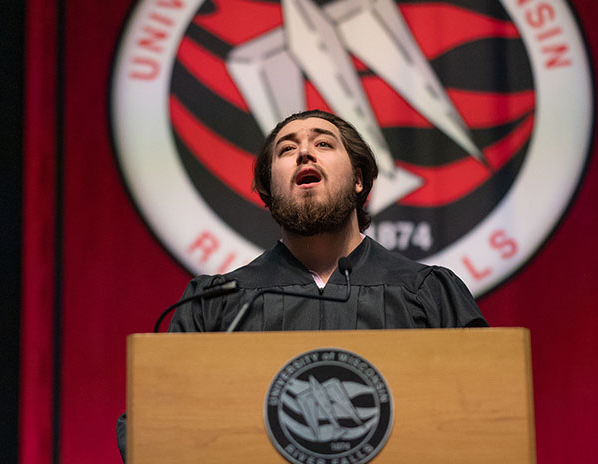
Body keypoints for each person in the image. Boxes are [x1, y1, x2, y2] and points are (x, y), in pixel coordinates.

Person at [116, 110, 487, 460]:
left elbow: (491, 413)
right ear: (270, 189)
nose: (304, 153)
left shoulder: (428, 292)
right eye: (287, 149)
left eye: (324, 144)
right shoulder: (219, 304)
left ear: (359, 179)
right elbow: (150, 429)